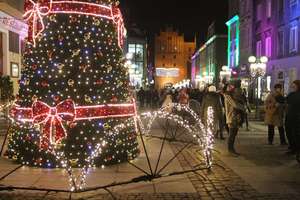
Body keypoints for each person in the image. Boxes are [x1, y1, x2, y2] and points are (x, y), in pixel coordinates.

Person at [223, 83, 245, 156]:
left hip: (237, 117)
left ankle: (232, 149)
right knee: (231, 134)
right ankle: (230, 150)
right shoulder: (228, 96)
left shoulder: (234, 96)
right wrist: (242, 108)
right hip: (231, 117)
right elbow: (234, 104)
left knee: (234, 134)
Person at [285, 80, 300, 160]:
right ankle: (293, 147)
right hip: (290, 116)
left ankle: (297, 149)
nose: (293, 86)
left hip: (296, 117)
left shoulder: (294, 95)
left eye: (294, 85)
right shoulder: (291, 94)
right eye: (292, 85)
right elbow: (286, 102)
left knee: (296, 134)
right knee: (289, 132)